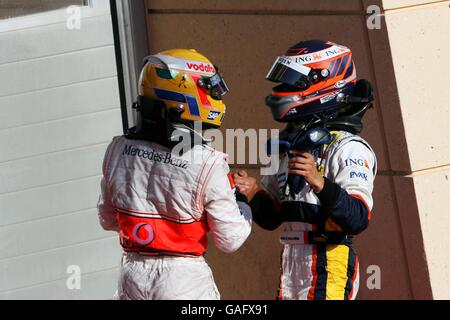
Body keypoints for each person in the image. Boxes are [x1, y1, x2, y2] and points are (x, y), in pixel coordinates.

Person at [97, 49, 252, 300]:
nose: (215, 95)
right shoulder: (209, 162)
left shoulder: (117, 149)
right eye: (209, 88)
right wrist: (243, 201)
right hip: (183, 280)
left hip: (131, 274)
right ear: (184, 95)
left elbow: (107, 219)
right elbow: (230, 238)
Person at [234, 40, 377, 300]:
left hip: (329, 259)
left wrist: (318, 181)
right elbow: (274, 218)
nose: (284, 89)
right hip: (291, 260)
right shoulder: (288, 144)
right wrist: (252, 192)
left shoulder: (349, 147)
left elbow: (357, 218)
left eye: (293, 83)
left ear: (325, 81)